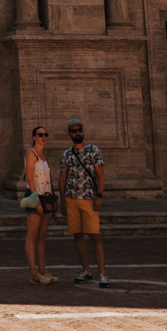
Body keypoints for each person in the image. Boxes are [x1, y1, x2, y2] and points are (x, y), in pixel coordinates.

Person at [58, 118, 108, 288]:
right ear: (69, 134)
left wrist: (99, 196)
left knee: (95, 236)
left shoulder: (94, 151)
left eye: (79, 130)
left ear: (82, 131)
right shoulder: (66, 154)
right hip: (71, 199)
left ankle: (103, 273)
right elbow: (62, 177)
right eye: (74, 131)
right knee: (77, 236)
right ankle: (86, 271)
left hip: (89, 198)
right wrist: (63, 201)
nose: (77, 133)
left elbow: (101, 175)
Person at [23, 126, 56, 284]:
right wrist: (37, 201)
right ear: (34, 137)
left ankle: (42, 270)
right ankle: (33, 273)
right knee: (32, 235)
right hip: (34, 196)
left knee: (42, 236)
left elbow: (48, 179)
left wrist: (52, 202)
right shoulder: (31, 153)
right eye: (40, 134)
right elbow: (30, 178)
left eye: (45, 134)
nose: (44, 137)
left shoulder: (44, 155)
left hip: (46, 197)